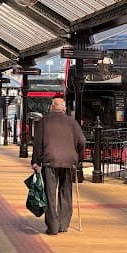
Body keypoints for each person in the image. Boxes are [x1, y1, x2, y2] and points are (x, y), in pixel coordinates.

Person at [31, 97, 85, 235]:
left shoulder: (43, 121)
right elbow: (82, 142)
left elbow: (38, 143)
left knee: (49, 194)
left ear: (51, 107)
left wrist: (35, 161)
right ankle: (63, 224)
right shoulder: (72, 122)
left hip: (50, 161)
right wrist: (78, 159)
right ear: (64, 108)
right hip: (68, 161)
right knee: (66, 192)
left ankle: (53, 227)